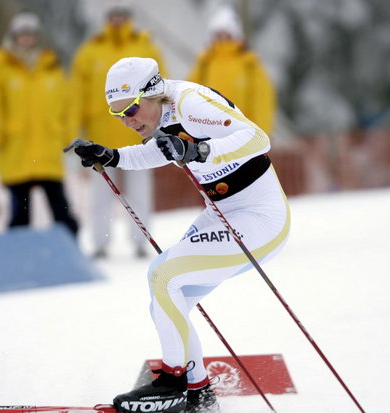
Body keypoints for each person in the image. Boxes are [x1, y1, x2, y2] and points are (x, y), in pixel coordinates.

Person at [71, 57, 290, 413]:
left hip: (259, 219)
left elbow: (258, 137)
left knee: (164, 274)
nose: (127, 120)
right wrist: (110, 156)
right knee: (169, 296)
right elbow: (157, 153)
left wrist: (200, 150)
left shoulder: (189, 102)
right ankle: (198, 393)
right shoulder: (161, 112)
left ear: (152, 92)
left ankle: (172, 383)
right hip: (221, 213)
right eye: (117, 114)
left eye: (130, 109)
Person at [69, 3, 167, 258]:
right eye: (113, 17)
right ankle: (101, 242)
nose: (118, 21)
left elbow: (161, 89)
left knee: (140, 191)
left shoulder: (144, 47)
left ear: (129, 18)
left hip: (139, 134)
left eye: (122, 16)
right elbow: (77, 94)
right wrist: (73, 129)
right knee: (101, 193)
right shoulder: (90, 51)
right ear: (106, 19)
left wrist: (163, 123)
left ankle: (140, 240)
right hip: (101, 135)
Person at [0, 12, 78, 237]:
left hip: (48, 151)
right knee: (20, 214)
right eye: (22, 35)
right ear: (13, 37)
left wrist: (68, 136)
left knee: (61, 209)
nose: (26, 40)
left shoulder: (52, 69)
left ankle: (70, 252)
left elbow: (69, 105)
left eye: (30, 35)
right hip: (16, 152)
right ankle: (19, 259)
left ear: (37, 37)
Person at [187, 4, 277, 136]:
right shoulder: (205, 62)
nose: (222, 40)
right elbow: (188, 94)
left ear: (235, 35)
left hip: (238, 134)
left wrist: (260, 136)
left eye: (226, 35)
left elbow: (261, 104)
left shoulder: (250, 65)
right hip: (205, 132)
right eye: (218, 35)